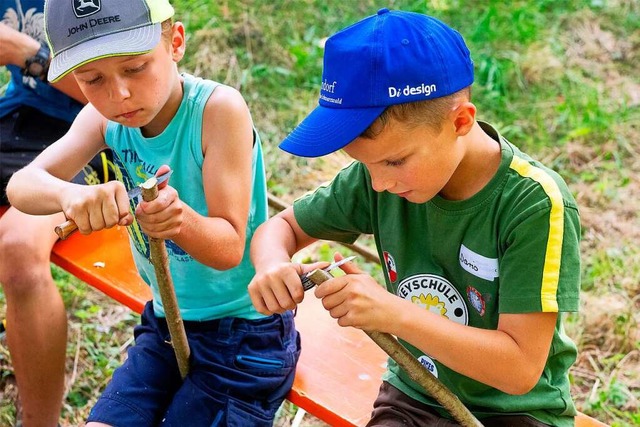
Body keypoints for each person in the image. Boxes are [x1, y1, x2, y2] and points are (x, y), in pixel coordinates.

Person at [247, 8, 581, 427]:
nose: (380, 184)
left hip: (517, 413)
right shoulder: (378, 179)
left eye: (394, 162)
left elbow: (519, 370)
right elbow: (281, 228)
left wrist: (393, 313)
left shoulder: (532, 204)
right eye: (366, 166)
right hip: (415, 396)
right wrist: (272, 265)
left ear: (460, 121)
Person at [7, 0, 300, 425]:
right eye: (93, 79)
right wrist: (68, 196)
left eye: (135, 68)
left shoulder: (218, 111)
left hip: (246, 336)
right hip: (165, 321)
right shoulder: (103, 119)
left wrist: (179, 221)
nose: (119, 94)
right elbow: (22, 185)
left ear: (175, 42)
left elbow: (230, 248)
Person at [0, 1, 114, 425]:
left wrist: (26, 53)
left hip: (96, 138)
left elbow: (125, 91)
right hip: (16, 118)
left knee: (18, 251)